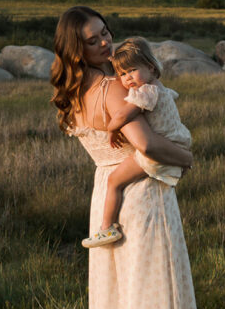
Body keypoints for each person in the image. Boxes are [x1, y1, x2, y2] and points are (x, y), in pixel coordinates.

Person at [51, 7, 204, 309]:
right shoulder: (113, 88)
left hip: (106, 189)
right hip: (142, 193)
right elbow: (147, 143)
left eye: (105, 32)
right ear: (76, 49)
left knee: (119, 291)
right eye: (92, 39)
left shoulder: (74, 93)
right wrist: (186, 157)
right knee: (153, 289)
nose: (105, 42)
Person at [82, 37, 192, 249]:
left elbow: (124, 115)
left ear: (150, 67)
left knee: (114, 181)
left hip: (157, 150)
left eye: (132, 70)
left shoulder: (146, 92)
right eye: (122, 74)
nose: (127, 78)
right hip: (176, 142)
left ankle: (106, 227)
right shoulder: (159, 87)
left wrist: (112, 129)